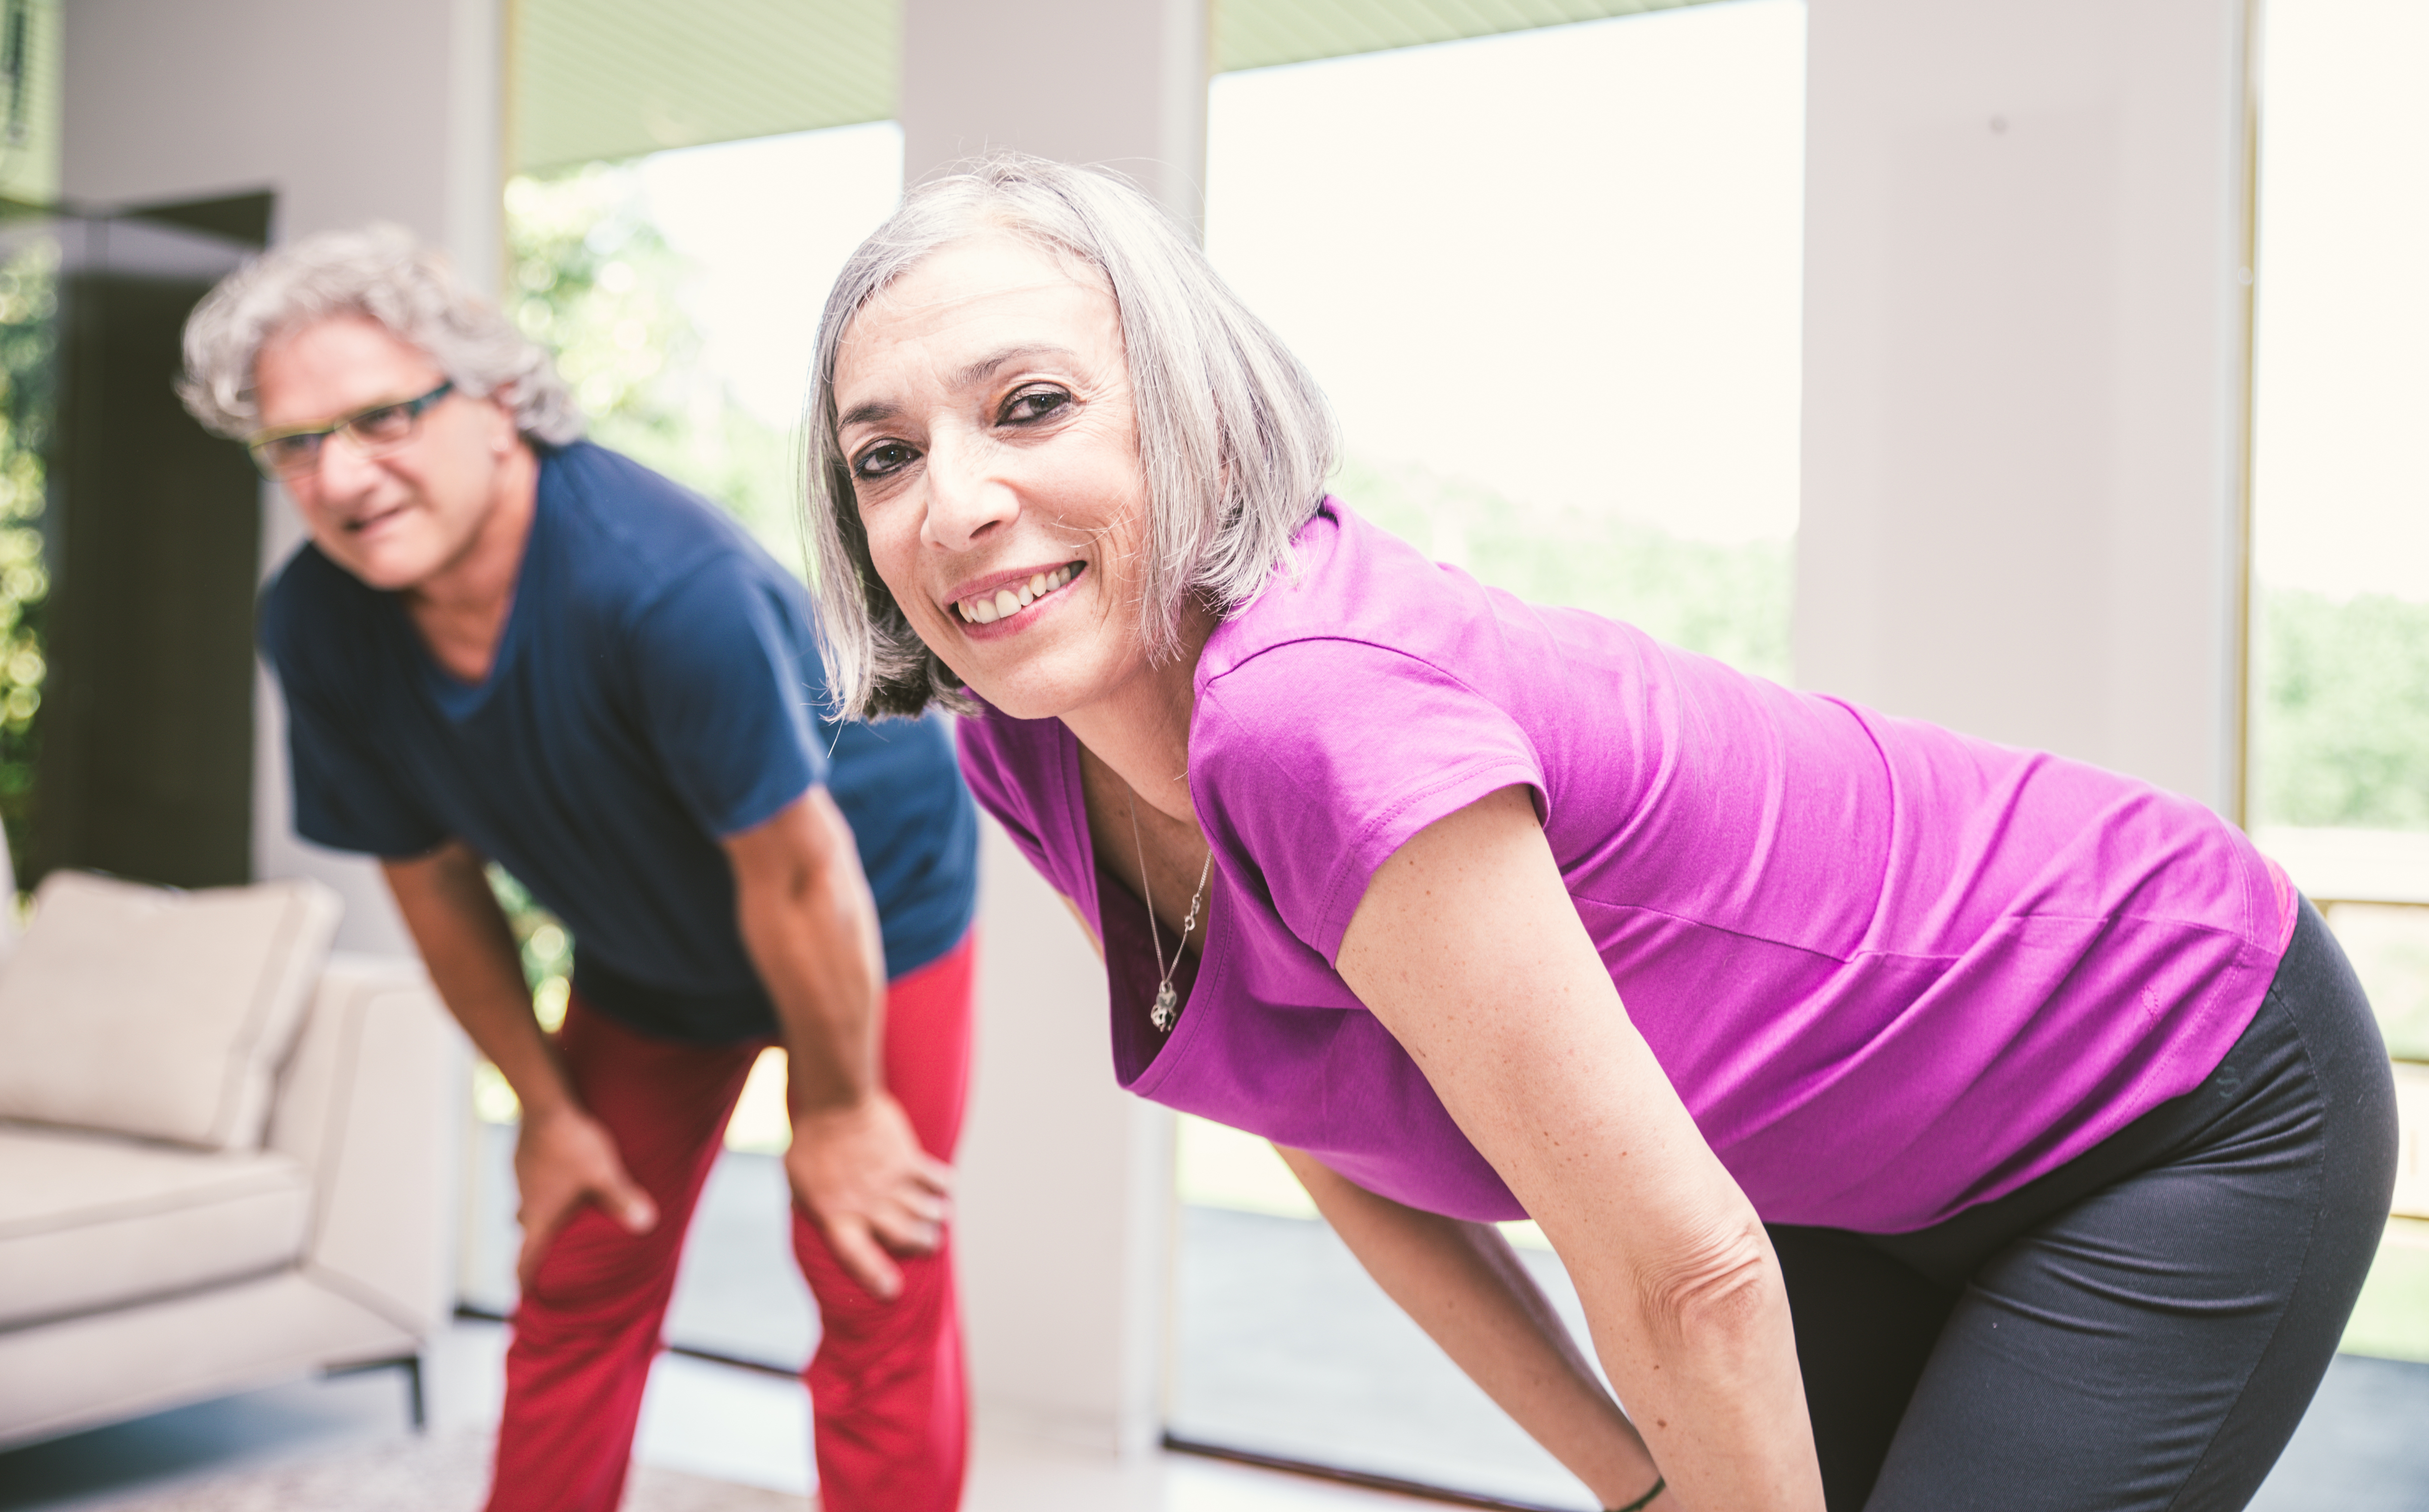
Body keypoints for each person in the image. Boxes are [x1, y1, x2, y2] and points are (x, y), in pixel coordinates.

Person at [795, 155, 2399, 1512]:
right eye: (887, 453)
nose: (954, 504)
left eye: (1033, 406)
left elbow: (1689, 1276)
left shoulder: (1316, 721)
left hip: (2169, 1070)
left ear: (1190, 413)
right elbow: (1306, 1103)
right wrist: (1626, 1478)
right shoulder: (1031, 743)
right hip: (1849, 1170)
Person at [178, 226, 981, 1512]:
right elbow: (434, 891)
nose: (340, 476)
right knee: (582, 1251)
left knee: (868, 1258)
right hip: (648, 946)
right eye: (296, 443)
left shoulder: (661, 586)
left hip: (864, 908)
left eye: (381, 418)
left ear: (496, 402)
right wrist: (546, 1110)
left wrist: (835, 1111)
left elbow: (798, 876)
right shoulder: (319, 622)